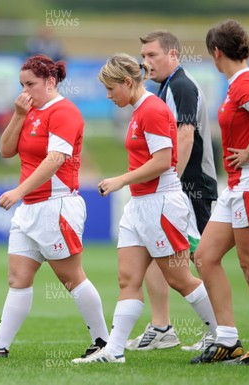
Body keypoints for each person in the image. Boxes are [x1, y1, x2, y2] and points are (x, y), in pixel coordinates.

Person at [0, 54, 109, 359]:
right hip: (30, 207)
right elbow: (4, 151)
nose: (25, 91)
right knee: (18, 277)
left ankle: (103, 343)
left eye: (31, 84)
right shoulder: (29, 110)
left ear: (51, 82)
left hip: (56, 206)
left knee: (71, 278)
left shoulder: (65, 112)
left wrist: (18, 191)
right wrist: (17, 115)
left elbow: (55, 160)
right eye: (21, 84)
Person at [72, 54, 217, 364]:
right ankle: (114, 351)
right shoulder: (139, 110)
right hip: (139, 205)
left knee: (179, 278)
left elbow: (164, 161)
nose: (108, 96)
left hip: (160, 204)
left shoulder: (152, 110)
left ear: (127, 82)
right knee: (128, 279)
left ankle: (223, 337)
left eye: (111, 89)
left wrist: (120, 180)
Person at [190, 19, 249, 366]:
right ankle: (227, 340)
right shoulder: (241, 82)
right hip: (238, 186)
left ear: (217, 52)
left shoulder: (244, 81)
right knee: (204, 256)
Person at [124, 30, 218, 352]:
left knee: (202, 258)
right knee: (157, 255)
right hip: (175, 188)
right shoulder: (164, 87)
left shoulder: (181, 85)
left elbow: (186, 137)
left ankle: (220, 331)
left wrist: (170, 186)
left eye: (153, 55)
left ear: (174, 55)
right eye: (144, 56)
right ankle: (162, 327)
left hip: (190, 188)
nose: (146, 62)